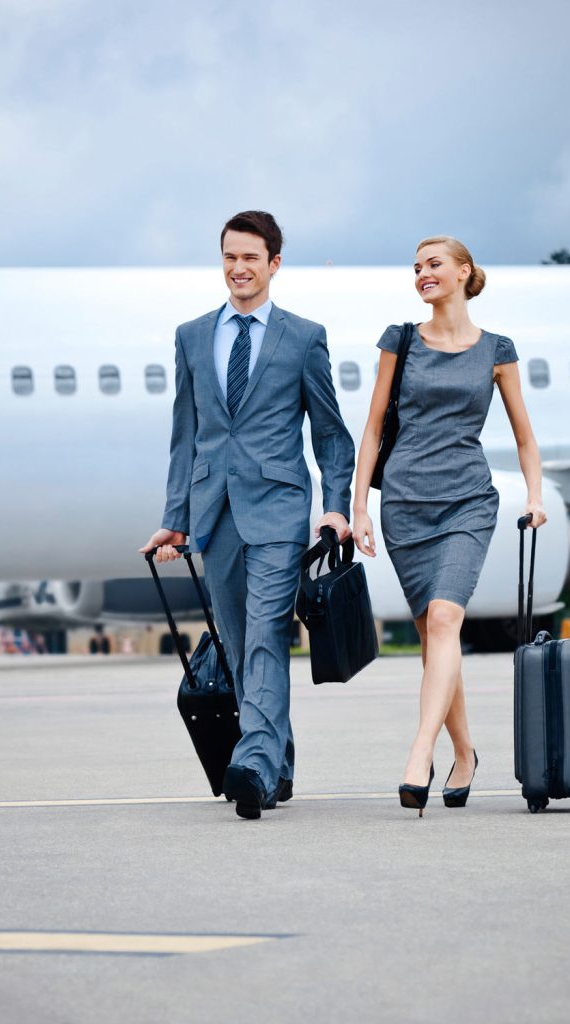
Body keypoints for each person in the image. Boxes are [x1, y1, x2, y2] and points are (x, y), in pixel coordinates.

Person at [141, 211, 355, 820]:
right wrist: (174, 517)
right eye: (230, 257)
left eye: (251, 258)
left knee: (264, 632)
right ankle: (278, 759)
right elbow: (185, 436)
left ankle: (253, 761)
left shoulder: (303, 337)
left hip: (280, 508)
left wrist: (335, 506)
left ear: (274, 264)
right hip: (215, 512)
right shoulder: (191, 336)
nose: (239, 269)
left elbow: (331, 435)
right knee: (237, 641)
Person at [351, 235, 546, 816]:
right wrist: (358, 505)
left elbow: (524, 436)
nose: (422, 274)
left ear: (464, 272)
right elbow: (372, 429)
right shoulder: (401, 341)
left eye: (434, 265)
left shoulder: (498, 350)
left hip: (466, 501)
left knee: (444, 617)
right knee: (434, 639)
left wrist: (535, 496)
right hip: (405, 504)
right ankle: (465, 752)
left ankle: (419, 753)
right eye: (416, 268)